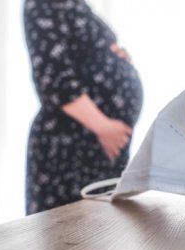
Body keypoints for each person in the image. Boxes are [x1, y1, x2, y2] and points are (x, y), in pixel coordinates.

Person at [23, 0, 143, 214]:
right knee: (66, 238)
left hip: (93, 147)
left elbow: (81, 55)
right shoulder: (42, 3)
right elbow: (53, 78)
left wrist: (114, 57)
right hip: (69, 146)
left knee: (102, 236)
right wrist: (103, 126)